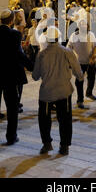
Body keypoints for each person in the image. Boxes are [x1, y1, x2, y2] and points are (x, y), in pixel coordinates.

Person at [0, 9, 33, 145]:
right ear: (11, 20)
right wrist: (32, 66)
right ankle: (11, 136)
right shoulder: (14, 35)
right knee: (12, 108)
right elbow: (19, 54)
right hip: (10, 76)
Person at [32, 27, 84, 155]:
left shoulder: (41, 54)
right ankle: (64, 146)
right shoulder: (67, 52)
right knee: (65, 119)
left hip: (47, 91)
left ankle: (47, 144)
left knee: (44, 119)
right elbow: (78, 72)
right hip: (63, 91)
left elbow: (35, 76)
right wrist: (80, 77)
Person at [67, 19, 96, 108]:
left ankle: (89, 93)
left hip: (90, 62)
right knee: (79, 81)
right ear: (78, 26)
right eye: (82, 25)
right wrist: (71, 59)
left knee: (92, 78)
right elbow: (68, 48)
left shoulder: (91, 35)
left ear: (88, 26)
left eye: (85, 25)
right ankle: (80, 100)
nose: (84, 26)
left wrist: (93, 57)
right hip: (78, 63)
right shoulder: (74, 35)